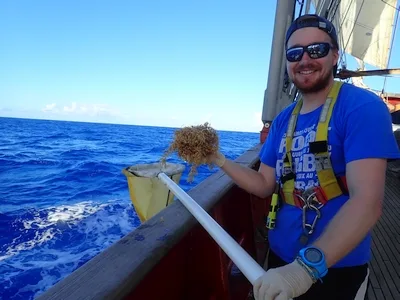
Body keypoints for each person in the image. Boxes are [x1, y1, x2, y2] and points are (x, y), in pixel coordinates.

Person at [211, 14, 400, 300]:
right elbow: (264, 183)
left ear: (335, 55)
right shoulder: (282, 121)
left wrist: (304, 270)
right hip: (279, 260)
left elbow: (367, 202)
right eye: (295, 53)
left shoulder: (362, 108)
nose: (305, 59)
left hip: (335, 267)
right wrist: (218, 159)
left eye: (318, 50)